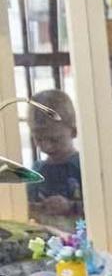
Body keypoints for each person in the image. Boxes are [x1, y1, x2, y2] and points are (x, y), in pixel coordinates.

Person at [24, 89, 82, 229]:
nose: (47, 147)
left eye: (55, 139)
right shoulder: (36, 170)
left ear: (73, 131)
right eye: (38, 139)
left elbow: (104, 208)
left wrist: (71, 206)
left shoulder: (84, 167)